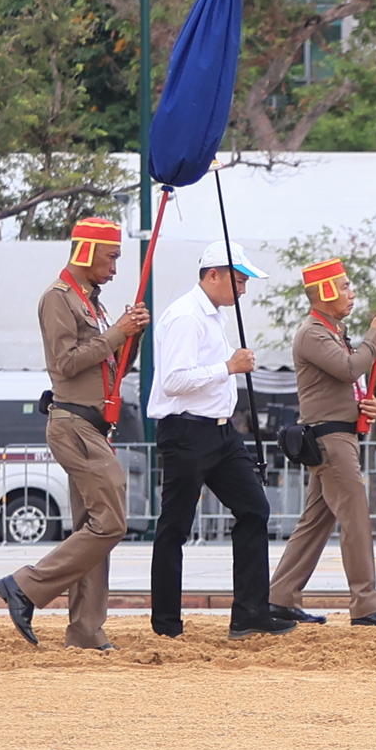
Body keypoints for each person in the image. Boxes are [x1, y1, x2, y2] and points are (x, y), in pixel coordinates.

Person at [0, 216, 149, 651]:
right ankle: (25, 586)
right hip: (73, 424)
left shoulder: (93, 303)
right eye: (112, 256)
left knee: (93, 526)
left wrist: (130, 335)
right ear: (86, 251)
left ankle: (85, 630)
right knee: (112, 521)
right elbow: (64, 364)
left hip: (94, 427)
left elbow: (110, 366)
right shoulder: (58, 298)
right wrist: (118, 332)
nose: (116, 267)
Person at [260, 257, 376, 631]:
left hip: (336, 436)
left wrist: (364, 405)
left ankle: (281, 596)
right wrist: (375, 335)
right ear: (324, 291)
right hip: (331, 440)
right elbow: (347, 368)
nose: (351, 292)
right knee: (355, 518)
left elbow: (344, 379)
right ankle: (365, 602)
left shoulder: (330, 330)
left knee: (315, 522)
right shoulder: (313, 332)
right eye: (343, 286)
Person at [145, 256, 280, 640]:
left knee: (255, 509)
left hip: (222, 434)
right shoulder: (186, 316)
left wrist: (229, 370)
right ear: (212, 275)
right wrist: (228, 367)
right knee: (175, 526)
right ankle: (166, 625)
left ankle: (251, 613)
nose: (242, 290)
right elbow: (173, 381)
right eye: (237, 281)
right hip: (186, 432)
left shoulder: (214, 317)